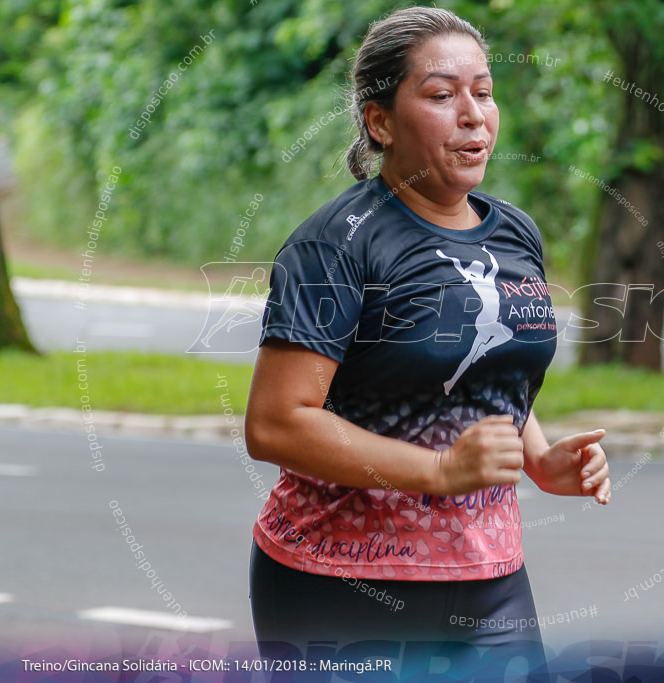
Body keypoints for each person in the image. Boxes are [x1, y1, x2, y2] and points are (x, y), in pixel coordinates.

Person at [244, 5, 611, 672]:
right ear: (379, 121)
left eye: (485, 91)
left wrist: (539, 458)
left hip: (488, 575)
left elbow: (491, 372)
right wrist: (440, 471)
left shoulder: (515, 234)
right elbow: (275, 424)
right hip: (338, 581)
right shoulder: (336, 244)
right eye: (442, 95)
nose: (473, 113)